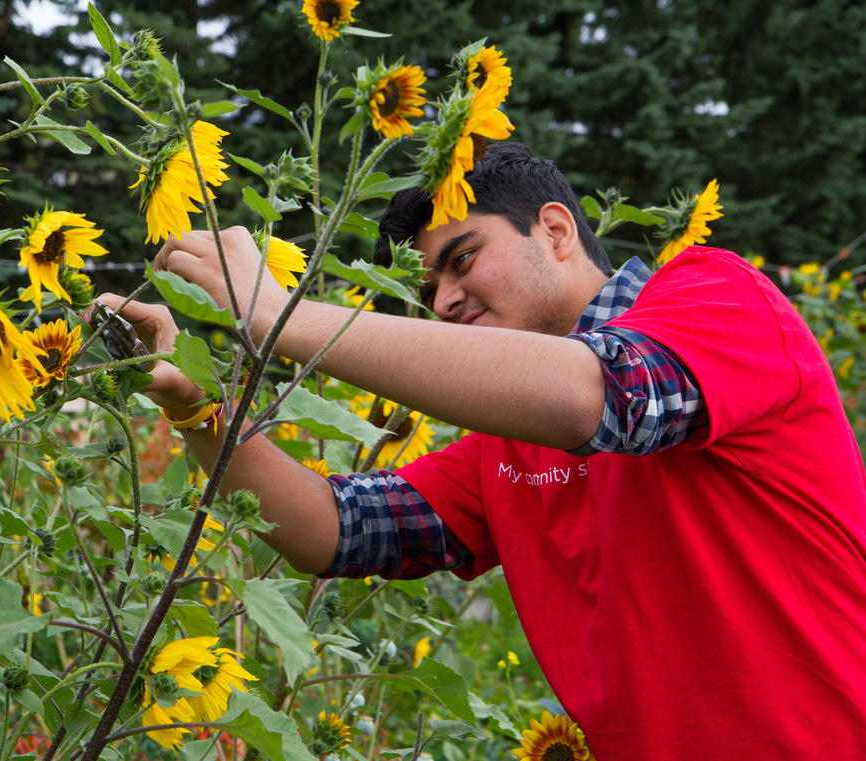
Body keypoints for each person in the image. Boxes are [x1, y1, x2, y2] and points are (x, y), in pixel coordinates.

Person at [93, 142, 866, 760]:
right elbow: (333, 528)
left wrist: (274, 313)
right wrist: (194, 405)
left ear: (556, 232)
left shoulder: (715, 295)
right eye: (429, 284)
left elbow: (604, 397)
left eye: (461, 260)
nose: (443, 300)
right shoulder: (506, 445)